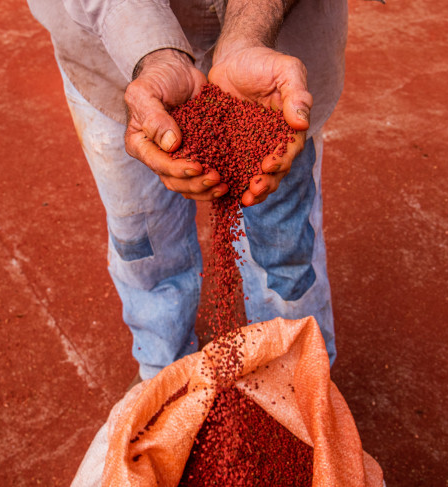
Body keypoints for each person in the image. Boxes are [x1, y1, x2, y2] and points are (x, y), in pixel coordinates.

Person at [27, 0, 347, 381]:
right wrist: (152, 54)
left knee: (283, 241)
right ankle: (163, 373)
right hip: (109, 51)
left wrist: (247, 35)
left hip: (271, 64)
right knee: (142, 237)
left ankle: (297, 381)